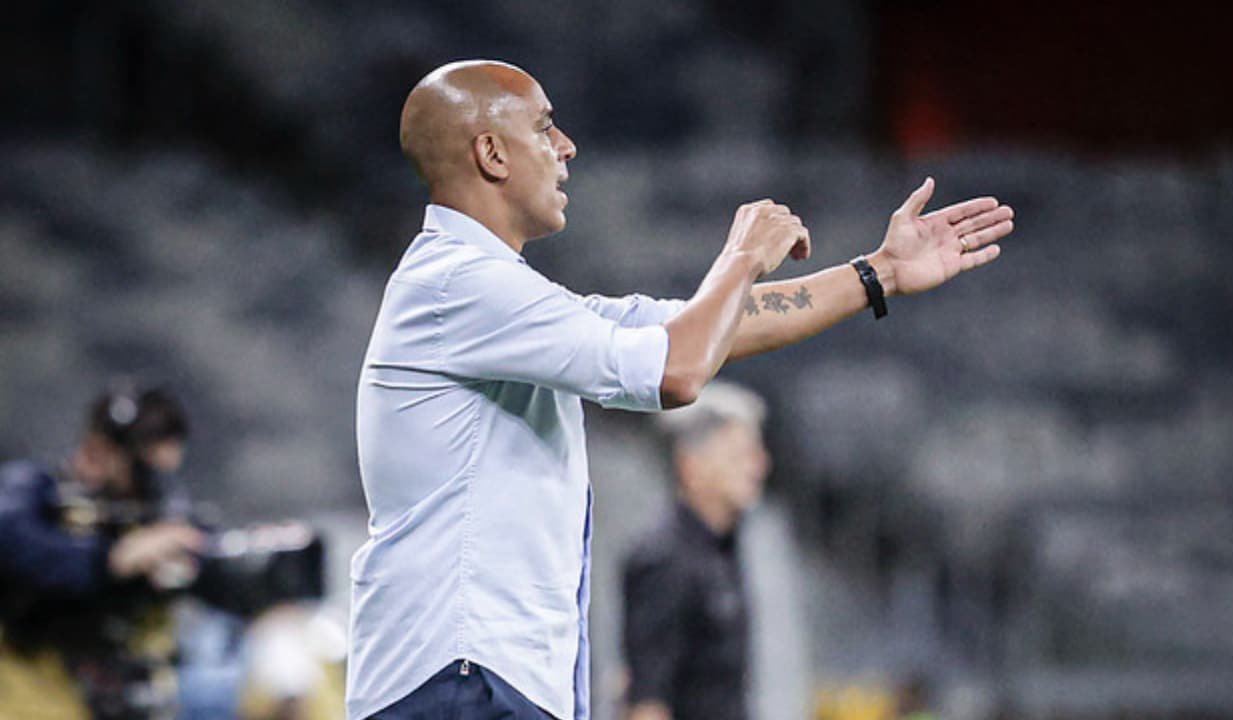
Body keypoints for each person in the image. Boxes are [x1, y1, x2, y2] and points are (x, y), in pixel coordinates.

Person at [348, 58, 1014, 720]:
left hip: (485, 681)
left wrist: (880, 273)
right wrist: (743, 256)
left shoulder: (499, 294)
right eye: (545, 126)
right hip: (457, 682)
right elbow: (678, 369)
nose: (566, 146)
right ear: (491, 152)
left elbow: (698, 329)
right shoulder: (458, 285)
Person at [0, 385, 205, 720]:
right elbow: (10, 539)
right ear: (100, 452)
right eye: (144, 469)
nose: (154, 484)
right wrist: (110, 559)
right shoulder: (35, 490)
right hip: (32, 692)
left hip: (128, 697)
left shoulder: (162, 517)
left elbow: (208, 562)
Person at [621, 381, 770, 720]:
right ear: (690, 467)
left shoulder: (723, 550)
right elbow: (647, 700)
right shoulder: (664, 558)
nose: (758, 467)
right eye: (739, 455)